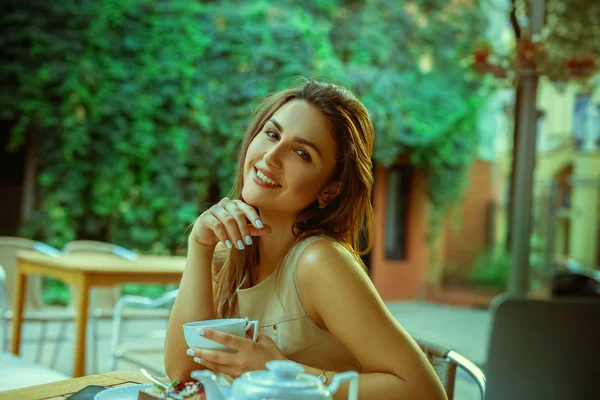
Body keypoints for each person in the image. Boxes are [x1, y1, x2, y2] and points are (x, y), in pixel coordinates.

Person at [165, 80, 447, 399]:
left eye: (302, 153)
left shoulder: (319, 262)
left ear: (330, 189)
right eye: (272, 134)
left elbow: (426, 392)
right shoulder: (231, 256)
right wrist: (199, 247)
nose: (271, 156)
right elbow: (183, 374)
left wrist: (283, 372)